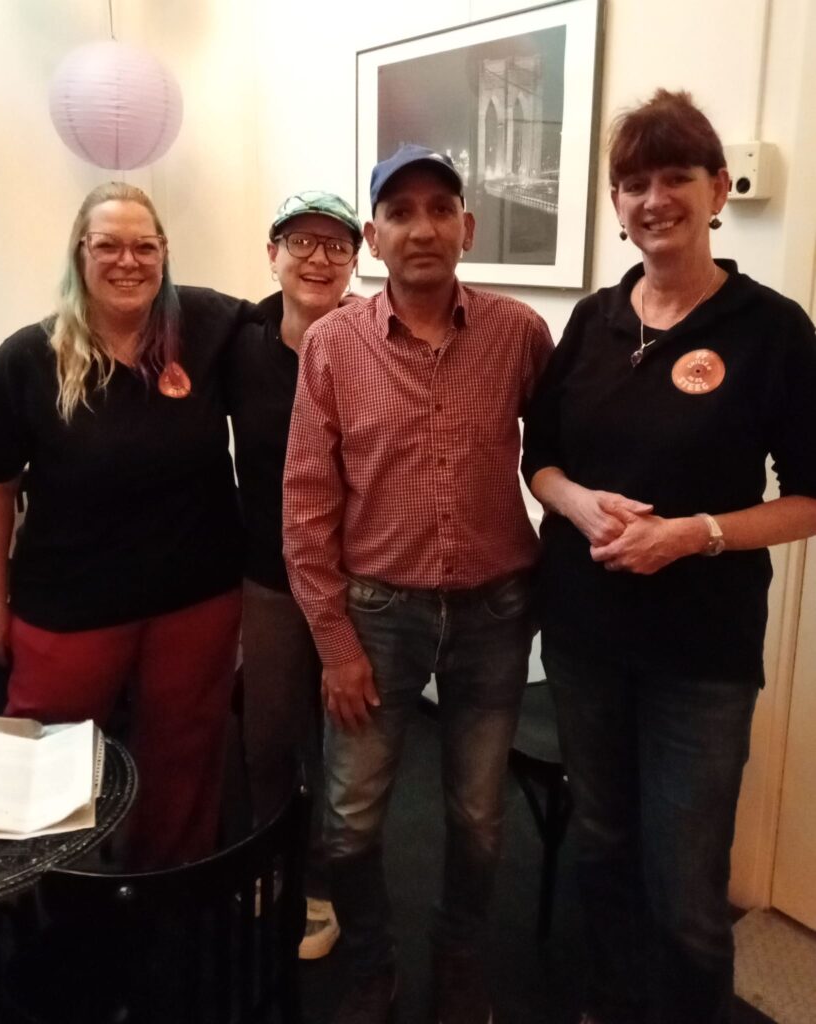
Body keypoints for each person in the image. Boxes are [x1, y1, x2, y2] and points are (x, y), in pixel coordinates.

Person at [521, 89, 816, 1024]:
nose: (654, 199)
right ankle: (609, 1003)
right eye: (633, 183)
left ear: (717, 189)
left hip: (700, 655)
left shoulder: (771, 329)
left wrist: (693, 534)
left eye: (675, 177)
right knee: (602, 844)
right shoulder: (592, 322)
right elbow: (539, 459)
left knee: (687, 886)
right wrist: (576, 503)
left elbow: (809, 499)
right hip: (582, 639)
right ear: (616, 204)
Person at [283, 144, 554, 1024]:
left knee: (477, 818)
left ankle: (459, 957)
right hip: (376, 616)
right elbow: (306, 504)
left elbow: (562, 458)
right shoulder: (332, 345)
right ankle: (371, 965)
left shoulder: (519, 334)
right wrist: (334, 644)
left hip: (494, 614)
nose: (422, 227)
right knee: (350, 820)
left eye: (440, 209)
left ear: (466, 227)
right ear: (374, 237)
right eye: (400, 212)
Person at [0, 181, 256, 871]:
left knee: (185, 753)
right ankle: (41, 893)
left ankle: (166, 886)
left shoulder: (206, 326)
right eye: (108, 246)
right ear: (80, 253)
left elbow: (289, 321)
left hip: (195, 596)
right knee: (43, 761)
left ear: (164, 253)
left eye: (144, 247)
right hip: (70, 605)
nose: (128, 261)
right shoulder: (26, 359)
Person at [225, 190, 362, 959]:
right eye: (300, 242)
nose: (317, 258)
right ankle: (270, 860)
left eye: (335, 245)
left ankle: (325, 882)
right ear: (271, 252)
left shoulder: (373, 339)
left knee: (346, 751)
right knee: (269, 738)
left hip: (360, 584)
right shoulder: (238, 343)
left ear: (355, 260)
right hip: (270, 579)